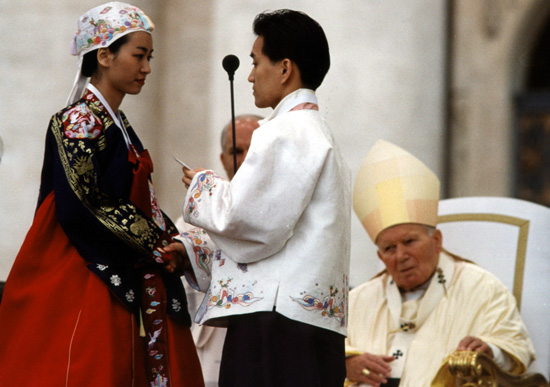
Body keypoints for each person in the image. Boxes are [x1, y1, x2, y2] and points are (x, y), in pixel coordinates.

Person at [0, 3, 203, 386]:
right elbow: (84, 202)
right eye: (139, 55)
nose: (146, 67)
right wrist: (157, 243)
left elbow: (142, 197)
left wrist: (173, 241)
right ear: (105, 55)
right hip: (84, 264)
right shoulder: (78, 120)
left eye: (150, 57)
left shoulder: (117, 121)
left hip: (120, 255)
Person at [168, 9, 351, 387]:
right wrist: (194, 252)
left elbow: (249, 224)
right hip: (305, 323)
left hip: (276, 326)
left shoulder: (284, 130)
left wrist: (203, 184)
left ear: (284, 68)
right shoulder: (318, 131)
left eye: (256, 62)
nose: (250, 75)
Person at [346, 139, 535, 387]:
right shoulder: (359, 299)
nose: (401, 255)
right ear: (381, 257)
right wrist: (347, 363)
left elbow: (516, 345)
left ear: (436, 241)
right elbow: (323, 351)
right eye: (389, 248)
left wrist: (490, 351)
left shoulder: (481, 287)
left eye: (410, 241)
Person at [176, 114, 261, 387]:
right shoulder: (192, 218)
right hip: (211, 350)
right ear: (223, 160)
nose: (245, 158)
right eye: (236, 151)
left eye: (254, 149)